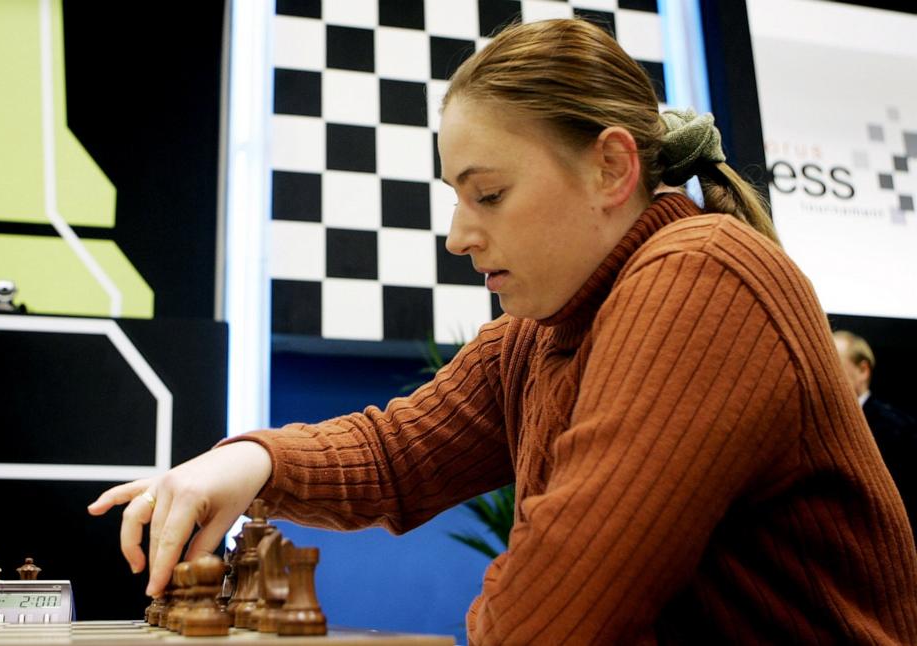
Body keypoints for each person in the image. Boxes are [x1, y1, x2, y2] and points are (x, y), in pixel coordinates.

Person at [89, 18, 917, 644]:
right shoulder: (549, 322)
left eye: (487, 195)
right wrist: (249, 460)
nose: (457, 234)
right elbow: (396, 454)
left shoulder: (703, 277)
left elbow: (559, 607)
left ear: (612, 168)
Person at [834, 329, 917, 540]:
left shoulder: (898, 428)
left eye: (834, 363)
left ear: (863, 370)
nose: (826, 373)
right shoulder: (815, 421)